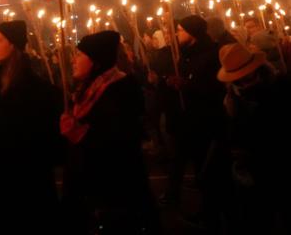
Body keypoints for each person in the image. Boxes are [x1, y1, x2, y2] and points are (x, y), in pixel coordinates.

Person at [60, 31, 161, 233]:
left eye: (79, 55)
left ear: (96, 61)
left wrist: (78, 133)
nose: (73, 60)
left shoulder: (120, 90)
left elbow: (116, 143)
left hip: (114, 191)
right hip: (90, 188)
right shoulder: (89, 88)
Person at [0, 20, 62, 233]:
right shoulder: (2, 79)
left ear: (13, 44)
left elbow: (21, 129)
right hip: (7, 177)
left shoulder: (30, 84)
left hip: (27, 180)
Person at [218, 43, 291, 231]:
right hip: (254, 168)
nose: (242, 83)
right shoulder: (234, 97)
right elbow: (234, 133)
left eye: (246, 77)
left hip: (279, 162)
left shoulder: (280, 87)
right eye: (237, 79)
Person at [168, 15, 231, 229]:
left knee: (212, 174)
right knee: (199, 171)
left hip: (208, 123)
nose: (177, 34)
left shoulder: (212, 55)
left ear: (192, 33)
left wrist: (186, 85)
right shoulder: (185, 55)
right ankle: (207, 212)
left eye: (180, 30)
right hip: (190, 122)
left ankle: (216, 218)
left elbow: (215, 89)